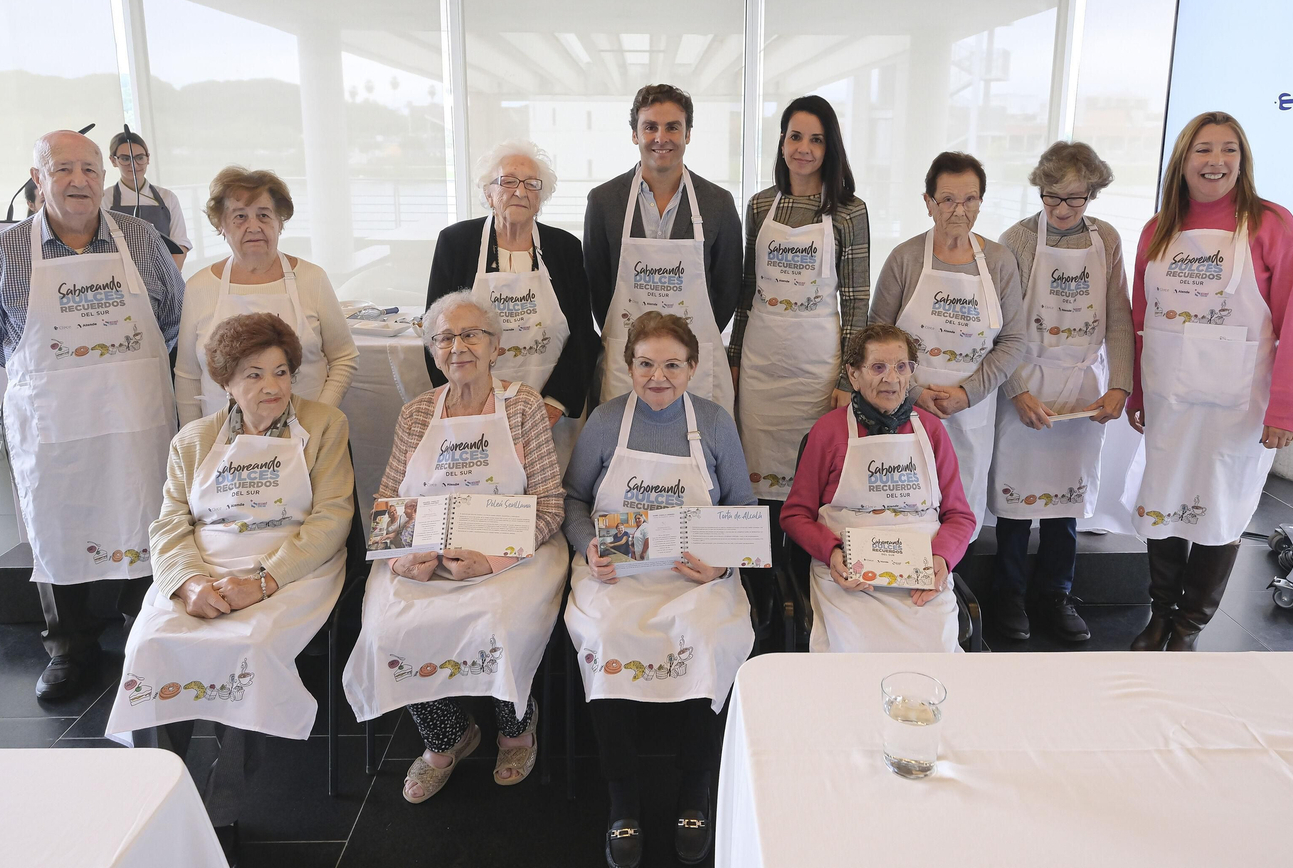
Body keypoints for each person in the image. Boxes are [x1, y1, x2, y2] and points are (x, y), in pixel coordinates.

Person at [107, 312, 353, 864]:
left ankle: (221, 813)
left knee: (246, 647)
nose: (271, 387)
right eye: (253, 375)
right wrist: (187, 583)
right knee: (150, 645)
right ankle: (151, 801)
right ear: (225, 382)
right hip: (205, 563)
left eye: (282, 372)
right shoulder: (192, 440)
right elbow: (170, 524)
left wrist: (263, 581)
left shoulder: (324, 425)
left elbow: (332, 519)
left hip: (291, 566)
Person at [0, 129, 182, 702]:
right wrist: (51, 379)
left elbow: (175, 317)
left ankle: (149, 633)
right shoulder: (5, 250)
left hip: (136, 413)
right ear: (38, 179)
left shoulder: (141, 238)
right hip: (53, 423)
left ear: (103, 176)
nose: (79, 180)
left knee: (145, 515)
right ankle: (69, 649)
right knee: (57, 526)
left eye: (88, 169)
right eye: (63, 169)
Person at [342, 291, 568, 804]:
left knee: (503, 620)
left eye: (472, 335)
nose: (458, 346)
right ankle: (447, 735)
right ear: (433, 349)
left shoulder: (525, 406)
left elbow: (551, 506)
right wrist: (401, 556)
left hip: (510, 552)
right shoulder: (417, 414)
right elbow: (386, 502)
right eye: (445, 337)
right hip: (422, 554)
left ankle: (516, 727)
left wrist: (491, 559)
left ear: (496, 347)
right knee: (386, 628)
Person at [562, 312, 755, 868]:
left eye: (672, 364)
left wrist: (719, 567)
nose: (658, 377)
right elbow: (575, 499)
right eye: (645, 364)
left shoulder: (715, 423)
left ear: (693, 368)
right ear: (628, 367)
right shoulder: (605, 422)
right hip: (615, 573)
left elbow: (741, 506)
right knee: (606, 633)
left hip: (696, 573)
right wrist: (587, 547)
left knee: (710, 633)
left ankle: (695, 788)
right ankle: (623, 799)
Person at [1127, 112, 1293, 651]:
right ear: (1182, 161)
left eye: (1229, 150)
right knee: (1163, 504)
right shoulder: (1158, 228)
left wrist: (1286, 409)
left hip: (1239, 405)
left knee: (1220, 510)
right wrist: (1138, 392)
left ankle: (1188, 628)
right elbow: (1142, 319)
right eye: (1203, 150)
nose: (1216, 161)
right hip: (1170, 398)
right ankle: (1159, 615)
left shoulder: (1272, 225)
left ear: (1243, 160)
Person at [987, 142, 1134, 644]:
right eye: (1052, 198)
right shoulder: (1018, 240)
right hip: (1026, 382)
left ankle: (1053, 594)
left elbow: (1119, 314)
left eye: (1075, 199)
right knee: (1014, 501)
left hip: (1081, 387)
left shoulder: (1106, 239)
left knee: (1065, 502)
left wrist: (1120, 384)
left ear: (1094, 192)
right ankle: (1006, 593)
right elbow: (1000, 328)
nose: (1063, 210)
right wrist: (1017, 392)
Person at [780, 324, 975, 654]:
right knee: (852, 653)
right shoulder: (827, 432)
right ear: (853, 375)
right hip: (850, 577)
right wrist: (832, 552)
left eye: (902, 367)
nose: (891, 378)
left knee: (935, 651)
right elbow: (794, 515)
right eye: (878, 367)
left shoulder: (931, 431)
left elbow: (960, 516)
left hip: (920, 576)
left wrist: (943, 558)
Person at [869, 151, 1026, 538]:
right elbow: (875, 335)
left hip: (970, 414)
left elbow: (1013, 341)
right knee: (902, 511)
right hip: (905, 408)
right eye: (948, 200)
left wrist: (967, 393)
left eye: (970, 199)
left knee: (958, 517)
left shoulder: (1000, 262)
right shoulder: (904, 259)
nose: (960, 210)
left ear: (981, 203)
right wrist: (915, 392)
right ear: (928, 203)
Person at [730, 96, 870, 503]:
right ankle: (763, 563)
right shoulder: (759, 206)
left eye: (816, 140)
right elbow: (745, 292)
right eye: (795, 137)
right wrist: (735, 359)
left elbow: (857, 302)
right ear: (781, 141)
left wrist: (849, 377)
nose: (803, 149)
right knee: (757, 470)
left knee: (816, 476)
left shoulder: (849, 211)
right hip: (761, 364)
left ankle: (802, 564)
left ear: (830, 148)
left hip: (818, 370)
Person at [424, 140, 596, 463]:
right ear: (488, 192)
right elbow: (436, 333)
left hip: (549, 418)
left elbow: (584, 337)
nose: (520, 191)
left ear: (541, 198)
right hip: (472, 413)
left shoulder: (565, 249)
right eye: (508, 181)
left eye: (532, 184)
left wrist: (553, 406)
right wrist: (467, 404)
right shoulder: (456, 244)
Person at [584, 84, 742, 414]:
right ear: (634, 134)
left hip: (692, 362)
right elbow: (596, 285)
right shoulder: (604, 201)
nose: (661, 137)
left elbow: (728, 288)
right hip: (626, 361)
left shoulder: (717, 203)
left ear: (688, 134)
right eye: (650, 127)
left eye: (673, 127)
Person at [176, 167, 359, 424]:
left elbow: (344, 357)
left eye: (264, 215)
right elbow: (187, 376)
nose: (253, 227)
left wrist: (319, 417)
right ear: (221, 226)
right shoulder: (199, 286)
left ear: (279, 223)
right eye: (240, 217)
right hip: (223, 441)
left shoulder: (312, 279)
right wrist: (193, 439)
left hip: (306, 432)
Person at [105, 129, 193, 270]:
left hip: (163, 273)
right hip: (120, 276)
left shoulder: (167, 197)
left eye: (139, 158)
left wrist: (170, 279)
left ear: (148, 158)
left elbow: (180, 243)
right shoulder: (104, 199)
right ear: (113, 160)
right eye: (125, 159)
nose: (133, 165)